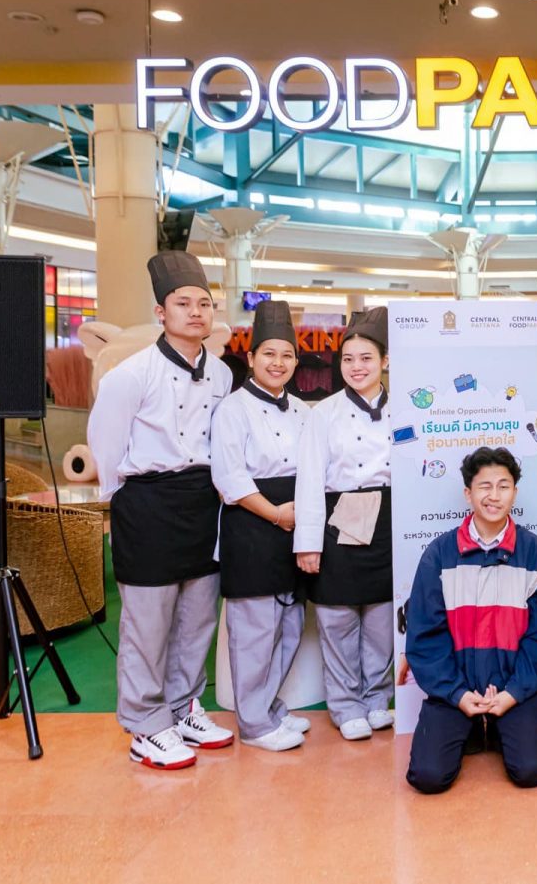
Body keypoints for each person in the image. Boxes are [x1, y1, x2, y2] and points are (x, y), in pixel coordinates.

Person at [87, 251, 235, 769]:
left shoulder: (222, 375)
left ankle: (183, 707)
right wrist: (122, 506)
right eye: (183, 303)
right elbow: (105, 448)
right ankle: (145, 725)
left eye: (204, 304)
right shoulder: (129, 375)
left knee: (197, 619)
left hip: (203, 502)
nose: (195, 312)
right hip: (148, 503)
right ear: (161, 312)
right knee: (147, 626)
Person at [404, 448, 537, 793]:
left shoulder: (536, 553)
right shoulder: (439, 554)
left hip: (514, 691)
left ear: (515, 493)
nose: (494, 496)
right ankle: (472, 727)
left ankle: (501, 726)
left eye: (503, 486)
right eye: (484, 487)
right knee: (428, 777)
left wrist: (513, 692)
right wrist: (457, 693)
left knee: (531, 771)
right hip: (455, 691)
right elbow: (425, 636)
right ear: (468, 493)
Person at [210, 299, 312, 751]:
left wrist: (300, 516)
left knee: (289, 624)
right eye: (269, 353)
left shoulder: (304, 411)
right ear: (251, 358)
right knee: (255, 630)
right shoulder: (232, 409)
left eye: (287, 355)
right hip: (252, 525)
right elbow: (229, 478)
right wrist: (276, 513)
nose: (278, 363)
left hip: (295, 526)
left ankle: (267, 707)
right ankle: (252, 724)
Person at [294, 307, 395, 741]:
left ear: (384, 361)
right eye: (348, 359)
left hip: (388, 517)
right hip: (341, 518)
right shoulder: (324, 413)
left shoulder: (406, 408)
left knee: (382, 620)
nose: (356, 367)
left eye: (366, 358)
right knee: (337, 619)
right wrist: (308, 543)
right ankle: (345, 704)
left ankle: (377, 699)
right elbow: (309, 480)